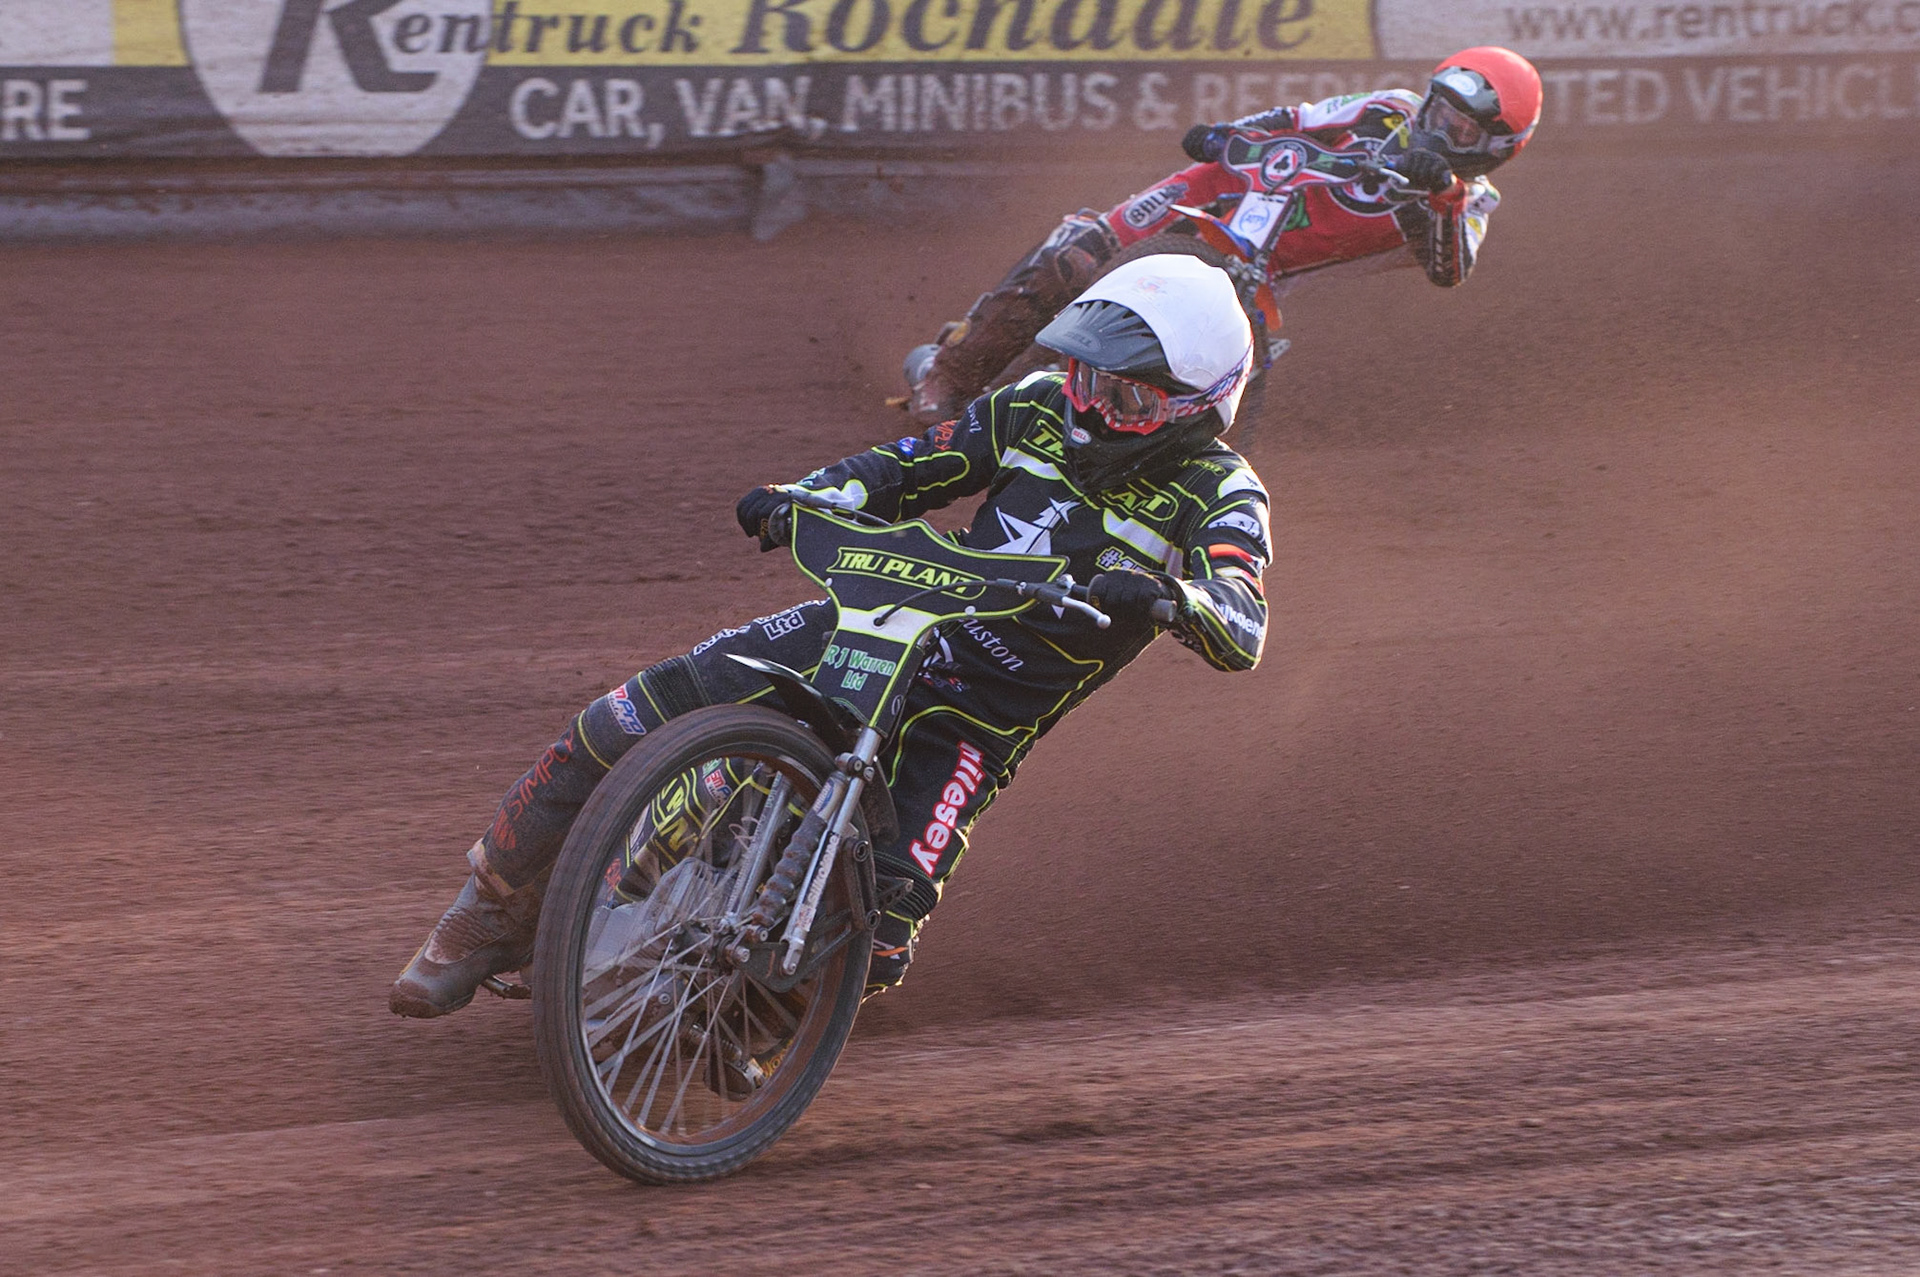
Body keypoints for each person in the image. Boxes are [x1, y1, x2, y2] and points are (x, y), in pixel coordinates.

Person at [390, 253, 1273, 1019]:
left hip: (977, 718)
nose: (1086, 405)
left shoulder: (1223, 491)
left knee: (881, 936)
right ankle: (484, 911)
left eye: (1121, 393)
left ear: (1199, 406)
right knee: (624, 715)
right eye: (1083, 374)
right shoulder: (1035, 405)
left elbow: (1242, 621)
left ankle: (749, 1026)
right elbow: (905, 467)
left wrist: (1168, 596)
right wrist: (806, 495)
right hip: (884, 620)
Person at [902, 46, 1543, 427]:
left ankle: (1041, 413)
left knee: (1164, 329)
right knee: (1080, 253)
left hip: (1253, 262)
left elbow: (1449, 268)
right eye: (1439, 109)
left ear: (1495, 147)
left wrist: (1437, 191)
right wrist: (1223, 131)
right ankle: (949, 372)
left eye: (1460, 130)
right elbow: (1296, 119)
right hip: (1217, 186)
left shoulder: (1469, 201)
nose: (1436, 128)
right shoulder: (1389, 108)